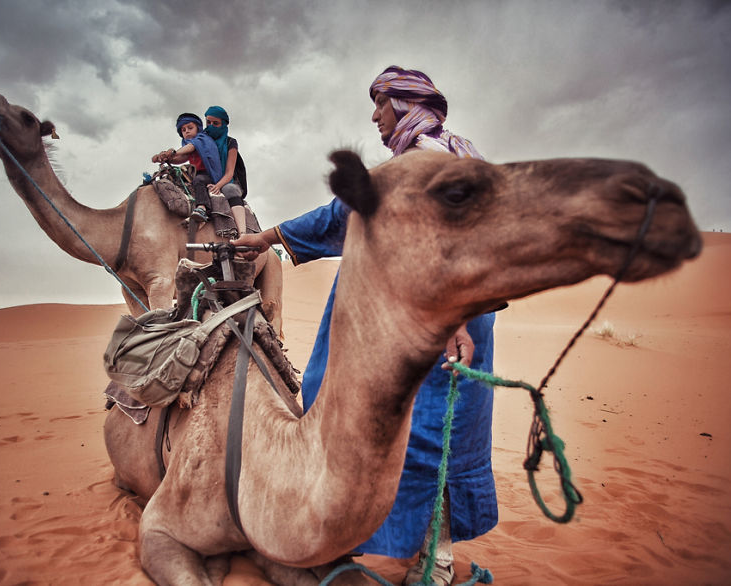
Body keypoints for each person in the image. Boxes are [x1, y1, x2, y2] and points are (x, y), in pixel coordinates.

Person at [233, 66, 497, 586]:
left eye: (380, 104)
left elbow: (463, 246)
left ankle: (434, 564)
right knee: (378, 419)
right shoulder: (421, 162)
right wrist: (269, 238)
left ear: (402, 103)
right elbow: (342, 216)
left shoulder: (433, 163)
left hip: (438, 325)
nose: (375, 117)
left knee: (425, 439)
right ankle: (367, 539)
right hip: (421, 322)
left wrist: (454, 321)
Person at [153, 107, 249, 234]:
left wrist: (218, 185)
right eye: (208, 122)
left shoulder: (224, 142)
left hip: (224, 178)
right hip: (202, 175)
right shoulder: (200, 138)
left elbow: (229, 172)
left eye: (215, 123)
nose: (211, 126)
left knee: (229, 190)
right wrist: (165, 158)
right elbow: (184, 156)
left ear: (224, 124)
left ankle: (243, 233)